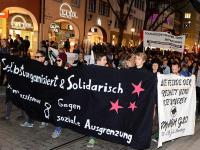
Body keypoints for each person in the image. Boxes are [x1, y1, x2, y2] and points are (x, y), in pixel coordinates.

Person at [20, 51, 48, 128]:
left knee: (41, 106)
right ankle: (30, 122)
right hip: (34, 89)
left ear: (43, 58)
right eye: (35, 57)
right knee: (32, 105)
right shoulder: (34, 65)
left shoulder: (47, 66)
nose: (36, 58)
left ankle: (44, 121)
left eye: (37, 57)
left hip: (43, 91)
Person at [87, 52, 107, 148]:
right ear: (98, 60)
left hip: (102, 98)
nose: (106, 61)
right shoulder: (91, 69)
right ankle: (92, 137)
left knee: (99, 117)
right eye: (104, 60)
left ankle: (96, 134)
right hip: (92, 98)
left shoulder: (107, 70)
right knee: (92, 117)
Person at [51, 52, 71, 139]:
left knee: (61, 111)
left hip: (65, 94)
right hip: (56, 93)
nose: (57, 61)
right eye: (56, 60)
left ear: (63, 60)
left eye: (59, 60)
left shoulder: (69, 68)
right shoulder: (55, 68)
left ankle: (58, 128)